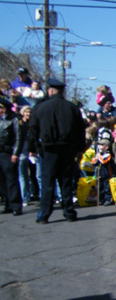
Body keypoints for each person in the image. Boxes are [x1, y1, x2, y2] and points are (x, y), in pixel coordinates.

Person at [28, 78, 86, 223]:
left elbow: (33, 130)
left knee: (47, 182)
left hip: (49, 150)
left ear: (50, 90)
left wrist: (33, 148)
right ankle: (69, 212)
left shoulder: (40, 107)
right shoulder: (72, 108)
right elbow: (80, 131)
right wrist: (79, 150)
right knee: (65, 181)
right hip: (67, 149)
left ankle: (44, 214)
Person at [0, 99, 23, 216]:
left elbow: (18, 137)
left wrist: (16, 153)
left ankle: (16, 205)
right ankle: (7, 203)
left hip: (7, 152)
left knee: (11, 179)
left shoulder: (13, 120)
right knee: (1, 181)